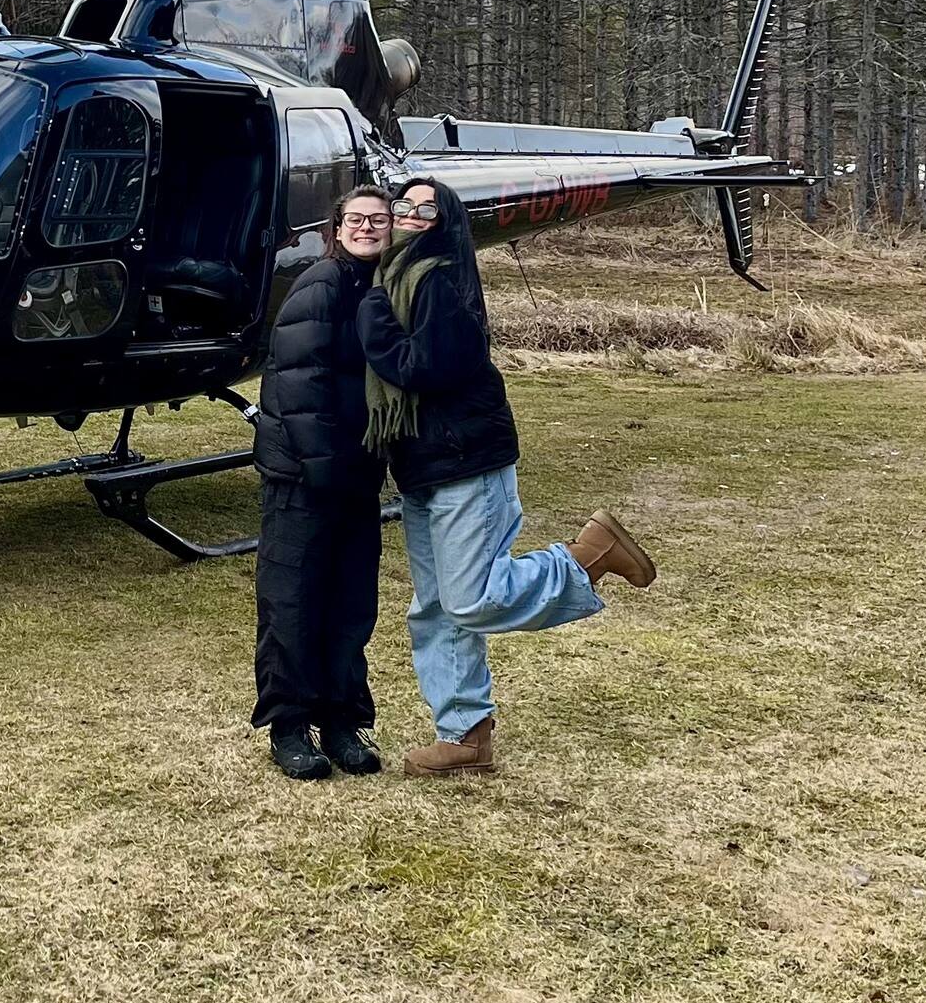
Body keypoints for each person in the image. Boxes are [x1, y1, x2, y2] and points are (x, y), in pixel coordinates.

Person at [357, 177, 656, 779]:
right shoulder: (395, 278)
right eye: (404, 204)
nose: (410, 214)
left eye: (425, 207)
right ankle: (464, 734)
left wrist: (373, 323)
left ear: (445, 221)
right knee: (435, 608)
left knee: (471, 598)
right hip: (422, 464)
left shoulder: (438, 279)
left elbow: (425, 368)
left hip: (467, 459)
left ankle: (587, 557)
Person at [252, 186, 393, 781]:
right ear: (337, 228)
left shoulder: (378, 288)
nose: (367, 228)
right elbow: (299, 385)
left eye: (378, 220)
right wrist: (324, 470)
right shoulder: (323, 284)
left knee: (350, 603)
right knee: (294, 601)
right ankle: (290, 724)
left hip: (354, 473)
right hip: (306, 476)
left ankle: (340, 719)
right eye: (356, 220)